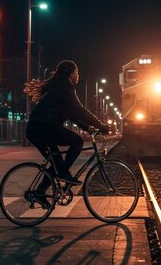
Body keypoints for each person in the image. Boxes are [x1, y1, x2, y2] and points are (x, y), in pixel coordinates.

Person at [24, 60, 109, 195]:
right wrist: (100, 125)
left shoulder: (61, 87)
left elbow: (71, 114)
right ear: (70, 74)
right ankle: (64, 175)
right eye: (77, 72)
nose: (78, 75)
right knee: (77, 141)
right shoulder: (64, 88)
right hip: (43, 127)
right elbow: (80, 110)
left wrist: (88, 127)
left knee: (57, 165)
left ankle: (40, 193)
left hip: (40, 128)